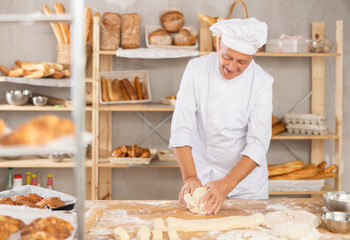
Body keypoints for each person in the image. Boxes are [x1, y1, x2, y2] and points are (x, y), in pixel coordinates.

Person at [169, 17, 274, 214]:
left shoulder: (262, 83)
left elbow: (258, 144)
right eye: (227, 57)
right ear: (219, 43)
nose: (232, 67)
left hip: (246, 188)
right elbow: (181, 129)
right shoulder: (196, 69)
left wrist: (227, 184)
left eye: (242, 61)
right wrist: (190, 177)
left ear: (255, 53)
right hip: (202, 182)